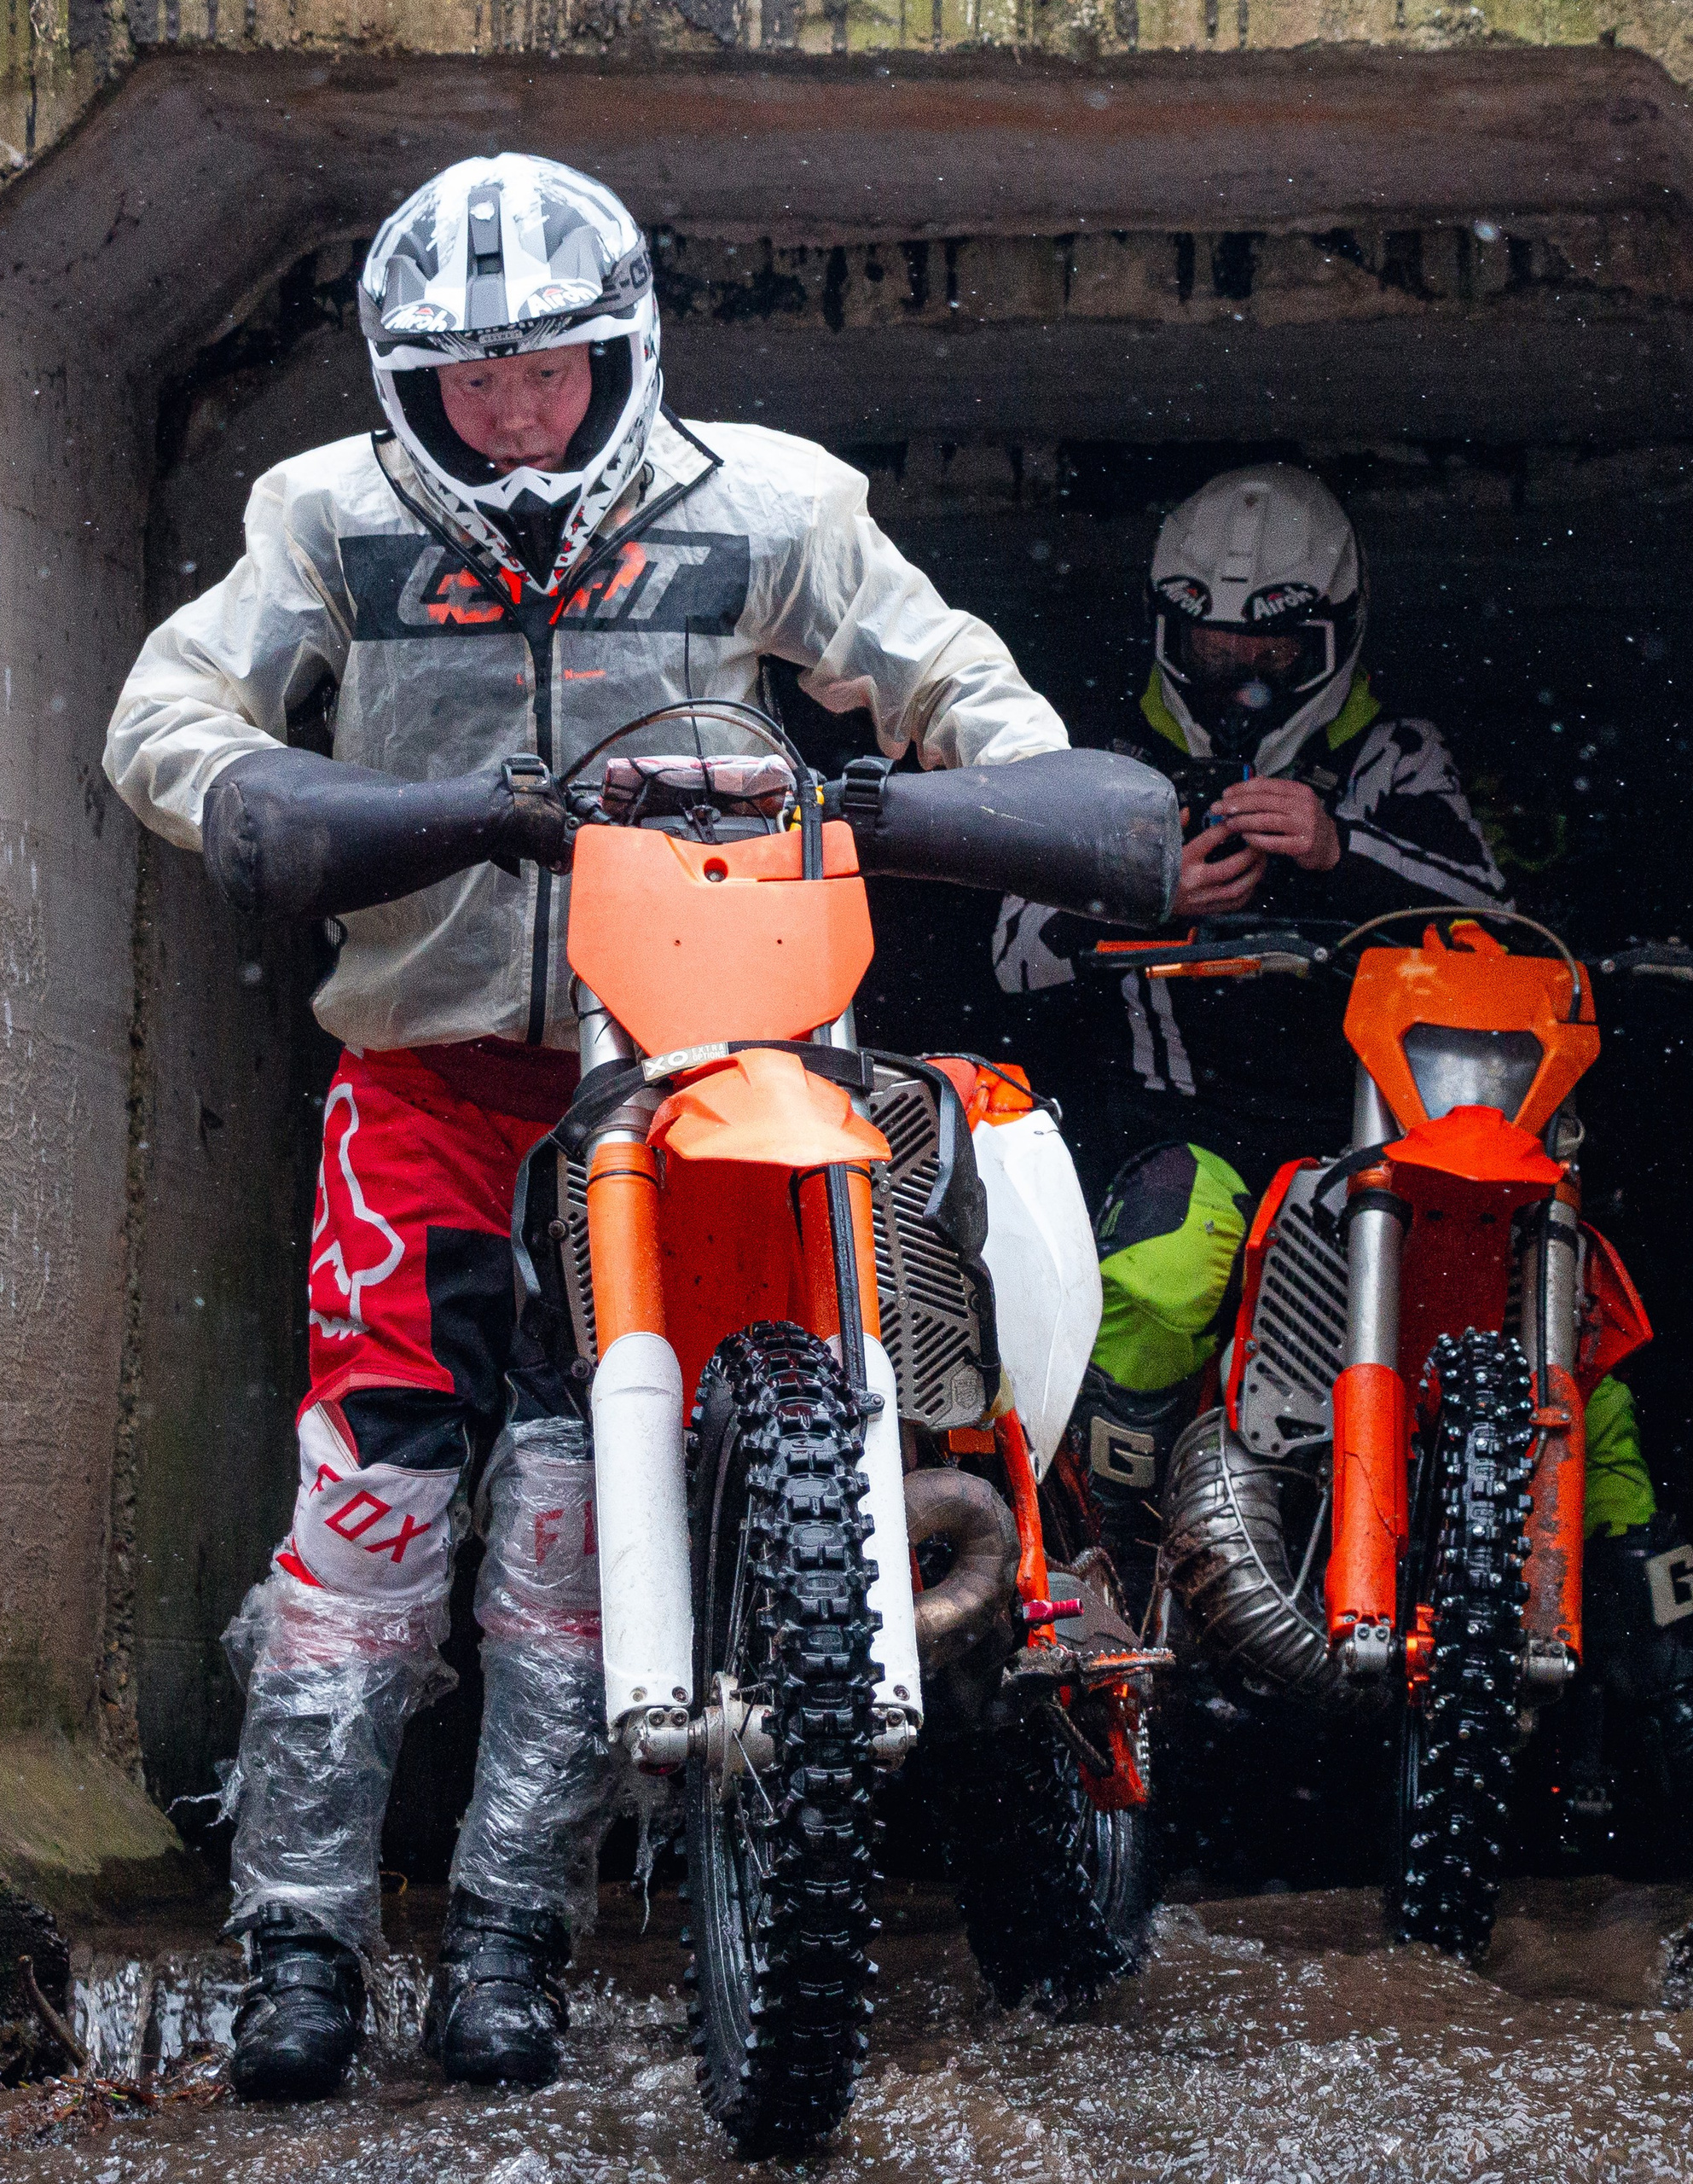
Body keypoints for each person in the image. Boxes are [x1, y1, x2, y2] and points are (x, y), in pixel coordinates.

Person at [102, 154, 1070, 2102]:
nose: (512, 410)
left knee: (565, 1527)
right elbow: (163, 711)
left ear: (621, 350)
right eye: (468, 380)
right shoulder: (324, 518)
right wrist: (268, 791)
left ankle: (508, 1942)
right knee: (369, 1509)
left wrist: (1012, 778)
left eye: (546, 368)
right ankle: (299, 1935)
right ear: (403, 382)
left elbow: (946, 667)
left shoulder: (773, 503)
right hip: (426, 1078)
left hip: (681, 1073)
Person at [993, 463, 1693, 1860]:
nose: (1239, 677)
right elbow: (1011, 952)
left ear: (1335, 641)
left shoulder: (1399, 761)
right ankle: (1108, 1589)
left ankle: (1679, 1720)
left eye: (1270, 650)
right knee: (1156, 1277)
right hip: (1181, 1130)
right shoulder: (1097, 762)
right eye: (1211, 646)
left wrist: (1337, 847)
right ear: (1163, 632)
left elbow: (1509, 916)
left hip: (1382, 1132)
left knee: (1588, 1365)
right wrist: (1153, 883)